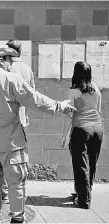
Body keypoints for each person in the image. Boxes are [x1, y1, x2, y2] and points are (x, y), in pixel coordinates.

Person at [0, 45, 76, 223]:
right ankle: (17, 218)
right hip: (11, 142)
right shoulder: (11, 79)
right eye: (10, 60)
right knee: (16, 182)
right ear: (2, 60)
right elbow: (35, 100)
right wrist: (60, 106)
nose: (12, 64)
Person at [59, 61, 103, 209]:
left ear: (75, 74)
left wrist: (64, 136)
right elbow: (99, 110)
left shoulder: (73, 91)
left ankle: (84, 201)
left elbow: (69, 115)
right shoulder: (96, 89)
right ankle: (83, 192)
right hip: (97, 129)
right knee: (91, 164)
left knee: (81, 166)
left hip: (82, 130)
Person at [1, 39, 36, 204]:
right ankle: (15, 190)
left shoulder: (4, 67)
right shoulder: (27, 70)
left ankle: (2, 190)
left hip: (3, 117)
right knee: (17, 156)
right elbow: (32, 96)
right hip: (20, 119)